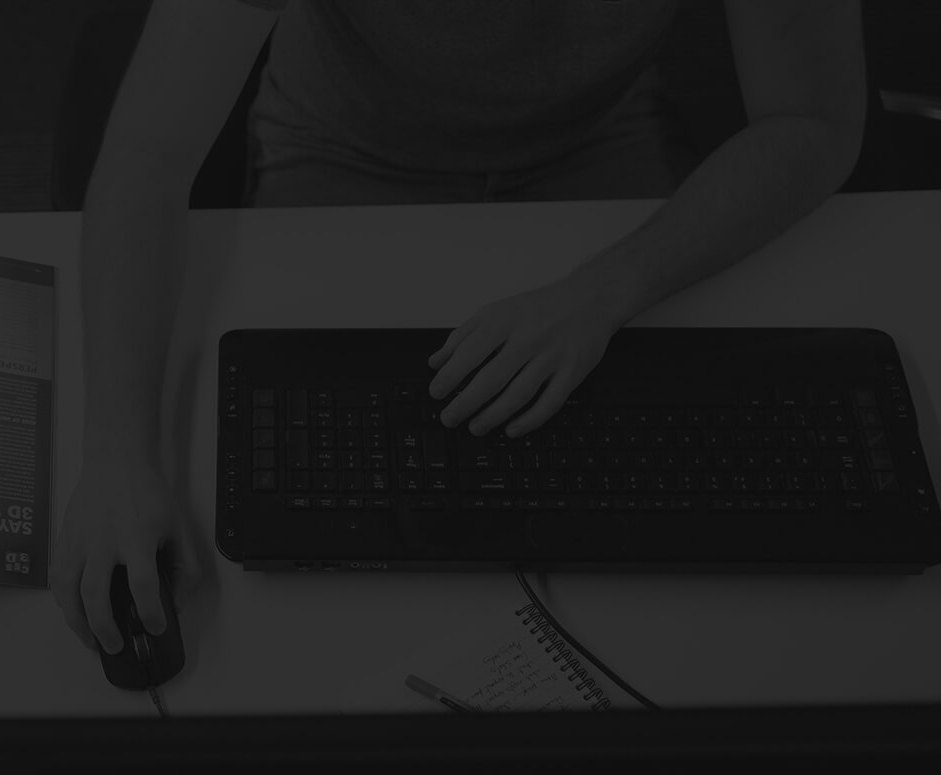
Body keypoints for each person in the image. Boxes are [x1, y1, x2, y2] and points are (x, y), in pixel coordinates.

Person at [54, 0, 867, 654]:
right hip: (344, 149)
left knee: (631, 495)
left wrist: (608, 289)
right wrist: (119, 455)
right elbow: (148, 159)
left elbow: (813, 122)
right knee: (309, 491)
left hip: (593, 145)